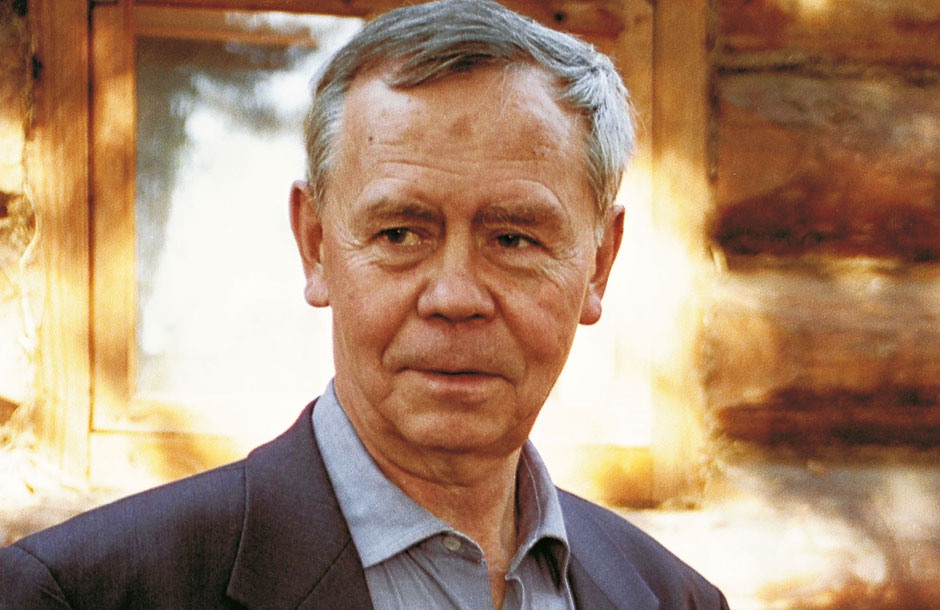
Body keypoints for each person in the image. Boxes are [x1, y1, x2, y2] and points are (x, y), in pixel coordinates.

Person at [0, 1, 730, 608]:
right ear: (316, 245)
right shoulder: (83, 592)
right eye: (400, 233)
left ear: (599, 263)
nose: (455, 297)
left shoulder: (675, 599)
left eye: (513, 238)